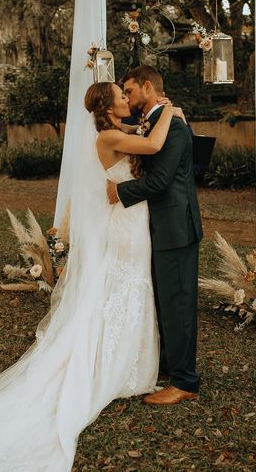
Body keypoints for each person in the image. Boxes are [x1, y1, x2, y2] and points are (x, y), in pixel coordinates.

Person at [0, 81, 181, 472]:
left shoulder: (120, 132)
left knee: (131, 288)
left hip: (134, 219)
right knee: (126, 288)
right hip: (124, 227)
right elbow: (154, 146)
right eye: (122, 96)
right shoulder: (106, 138)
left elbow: (146, 137)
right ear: (108, 105)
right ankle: (120, 369)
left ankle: (130, 364)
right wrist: (169, 108)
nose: (127, 100)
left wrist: (157, 119)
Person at [107, 65, 203, 404]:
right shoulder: (157, 120)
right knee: (165, 301)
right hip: (161, 228)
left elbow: (160, 181)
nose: (128, 97)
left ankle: (185, 381)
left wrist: (120, 192)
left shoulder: (173, 126)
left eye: (130, 91)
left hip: (176, 227)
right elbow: (130, 128)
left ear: (148, 87)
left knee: (178, 304)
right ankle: (169, 366)